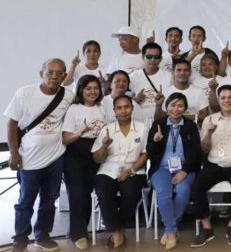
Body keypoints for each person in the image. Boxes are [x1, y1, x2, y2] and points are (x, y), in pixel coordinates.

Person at [5, 58, 75, 252]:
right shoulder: (24, 93)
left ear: (64, 75)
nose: (54, 76)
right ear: (41, 73)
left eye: (59, 73)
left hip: (55, 157)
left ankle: (42, 236)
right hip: (28, 158)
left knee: (49, 200)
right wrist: (14, 154)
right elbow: (11, 124)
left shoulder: (67, 96)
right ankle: (20, 239)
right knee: (25, 201)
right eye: (50, 72)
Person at [190, 85, 231, 247]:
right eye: (223, 97)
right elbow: (204, 149)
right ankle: (207, 228)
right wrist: (210, 133)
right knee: (196, 187)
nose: (227, 100)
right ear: (218, 100)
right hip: (214, 164)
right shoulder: (209, 120)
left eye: (230, 97)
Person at [91, 95, 148, 250]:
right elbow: (97, 159)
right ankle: (117, 234)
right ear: (114, 110)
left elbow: (145, 153)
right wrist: (104, 146)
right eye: (119, 108)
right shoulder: (107, 129)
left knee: (130, 194)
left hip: (134, 169)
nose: (123, 111)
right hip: (108, 169)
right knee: (103, 192)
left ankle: (116, 232)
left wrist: (131, 170)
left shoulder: (143, 128)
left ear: (132, 108)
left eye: (127, 107)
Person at [147, 93, 203, 249]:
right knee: (163, 192)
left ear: (185, 108)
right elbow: (149, 152)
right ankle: (172, 232)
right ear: (166, 107)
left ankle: (170, 229)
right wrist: (156, 141)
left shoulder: (190, 126)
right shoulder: (158, 124)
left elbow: (196, 153)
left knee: (183, 189)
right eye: (172, 105)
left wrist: (184, 171)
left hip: (185, 168)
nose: (176, 109)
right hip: (161, 168)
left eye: (180, 106)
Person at [61, 75, 106, 250]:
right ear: (80, 90)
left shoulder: (103, 107)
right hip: (76, 153)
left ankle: (78, 229)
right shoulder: (73, 108)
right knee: (78, 194)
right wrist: (78, 133)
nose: (92, 91)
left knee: (91, 193)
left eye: (96, 88)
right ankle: (78, 234)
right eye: (88, 88)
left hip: (99, 152)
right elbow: (65, 139)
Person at [130, 42, 171, 125]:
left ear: (160, 59)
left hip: (163, 122)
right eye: (149, 56)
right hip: (139, 123)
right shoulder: (133, 77)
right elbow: (125, 101)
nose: (153, 60)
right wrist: (135, 100)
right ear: (143, 57)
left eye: (156, 57)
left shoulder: (169, 76)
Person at [162, 59, 209, 124]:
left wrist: (177, 115)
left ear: (190, 73)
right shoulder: (165, 93)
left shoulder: (199, 92)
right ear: (173, 73)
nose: (182, 73)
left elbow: (205, 116)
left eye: (185, 70)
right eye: (179, 70)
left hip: (193, 131)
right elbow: (161, 117)